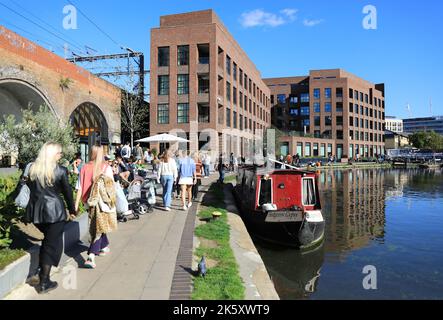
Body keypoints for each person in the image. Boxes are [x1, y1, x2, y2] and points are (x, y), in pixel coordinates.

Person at [26, 142, 76, 294]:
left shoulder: (32, 169)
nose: (61, 156)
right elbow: (68, 192)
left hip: (36, 213)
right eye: (60, 153)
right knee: (50, 245)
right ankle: (44, 281)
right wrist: (72, 209)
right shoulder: (60, 170)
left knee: (49, 242)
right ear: (53, 154)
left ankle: (42, 269)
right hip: (55, 212)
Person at [75, 145, 116, 269]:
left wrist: (76, 204)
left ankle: (104, 246)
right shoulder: (106, 168)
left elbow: (79, 188)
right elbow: (111, 187)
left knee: (97, 224)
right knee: (96, 228)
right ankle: (91, 256)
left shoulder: (84, 168)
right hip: (101, 202)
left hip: (88, 202)